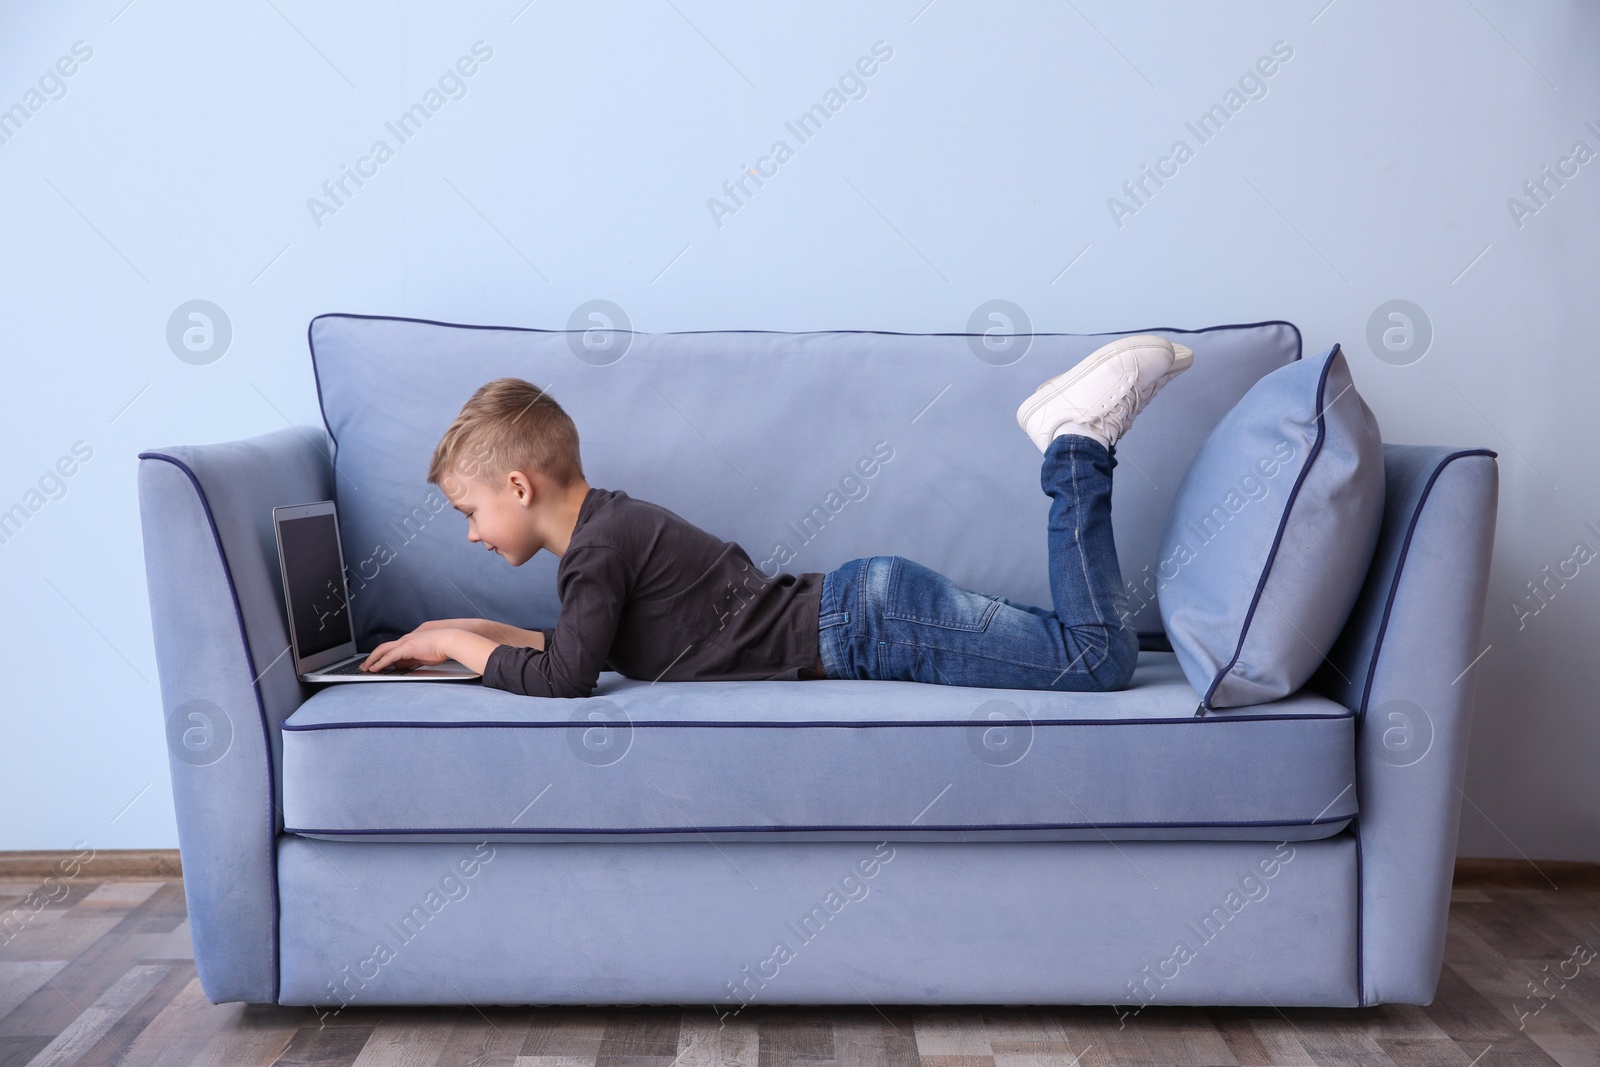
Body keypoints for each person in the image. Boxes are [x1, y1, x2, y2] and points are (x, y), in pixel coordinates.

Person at [359, 334, 1192, 697]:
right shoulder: (601, 535)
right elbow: (579, 645)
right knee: (1078, 649)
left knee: (1092, 663)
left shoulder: (598, 548)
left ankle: (1075, 446)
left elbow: (568, 678)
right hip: (869, 609)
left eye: (468, 510)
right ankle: (1073, 440)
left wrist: (454, 645)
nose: (469, 531)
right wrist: (457, 627)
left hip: (870, 625)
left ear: (518, 485)